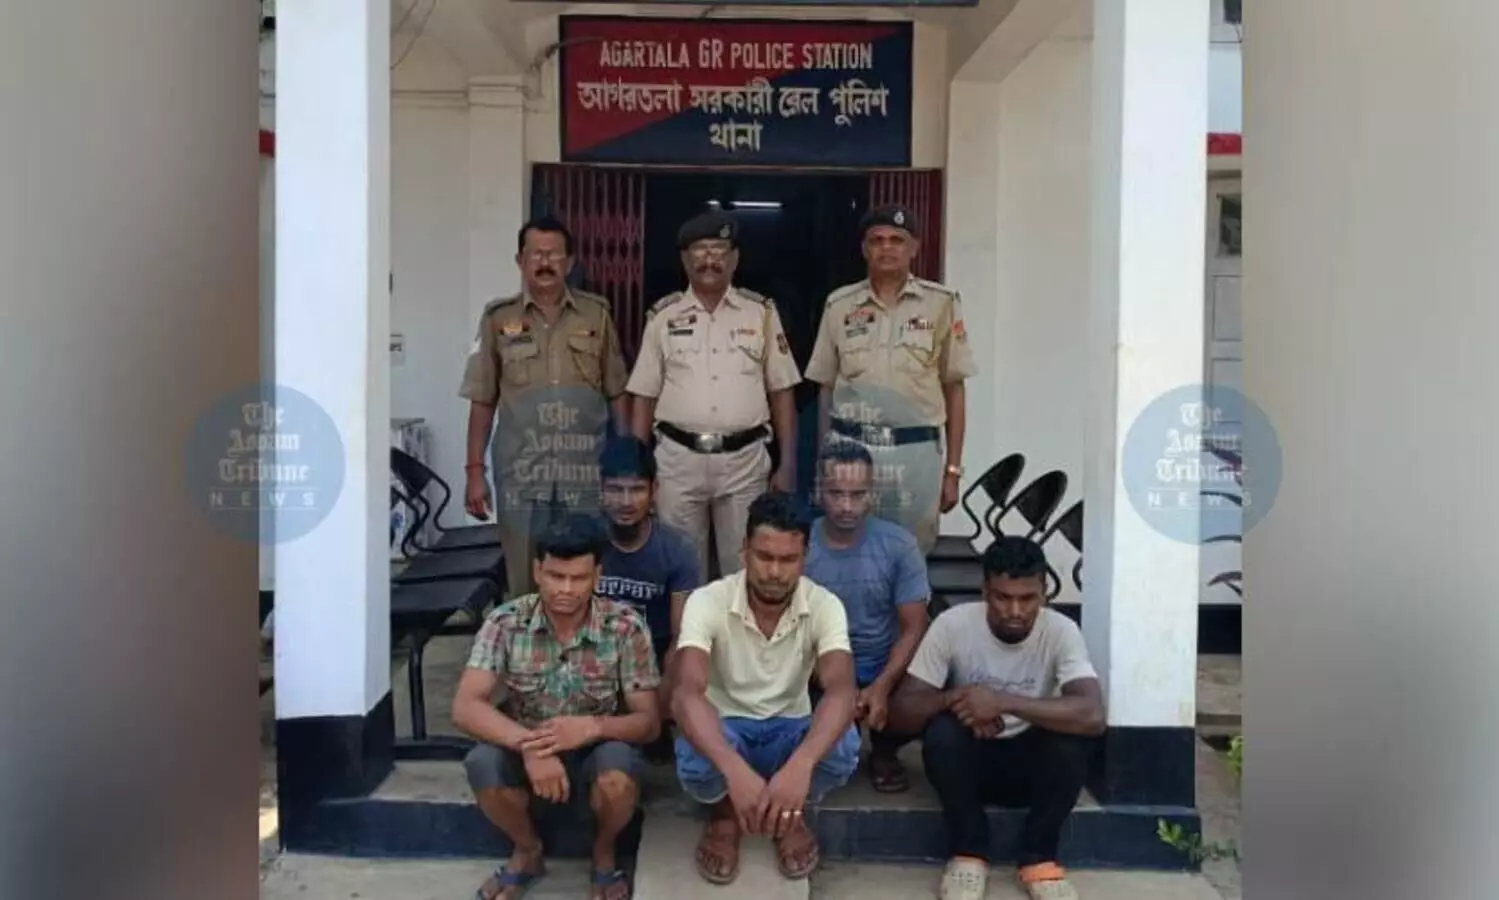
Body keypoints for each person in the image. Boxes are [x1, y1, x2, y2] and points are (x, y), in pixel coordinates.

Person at [452, 514, 661, 900]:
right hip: (527, 750)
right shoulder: (505, 622)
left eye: (578, 578)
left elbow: (648, 723)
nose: (565, 589)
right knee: (482, 764)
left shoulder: (625, 626)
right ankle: (527, 851)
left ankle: (603, 852)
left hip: (596, 752)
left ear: (597, 576)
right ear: (537, 571)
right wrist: (531, 746)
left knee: (618, 773)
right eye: (555, 576)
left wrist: (593, 727)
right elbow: (466, 707)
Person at [887, 536, 1105, 900]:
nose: (1014, 610)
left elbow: (1092, 714)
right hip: (972, 766)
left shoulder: (1061, 631)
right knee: (943, 732)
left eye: (1027, 598)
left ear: (1044, 593)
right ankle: (969, 853)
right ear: (984, 591)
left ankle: (1039, 857)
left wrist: (1001, 702)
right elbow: (901, 712)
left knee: (1073, 738)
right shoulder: (953, 625)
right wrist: (959, 698)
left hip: (1033, 769)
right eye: (1003, 597)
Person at [670, 491, 861, 886]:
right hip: (727, 729)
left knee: (844, 744)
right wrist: (733, 769)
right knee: (693, 750)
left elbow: (842, 690)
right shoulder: (707, 601)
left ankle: (788, 813)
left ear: (805, 557)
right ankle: (726, 814)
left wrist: (802, 764)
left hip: (789, 731)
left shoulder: (825, 605)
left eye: (788, 559)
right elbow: (686, 693)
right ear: (744, 550)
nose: (774, 571)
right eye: (764, 556)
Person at [459, 216, 630, 599]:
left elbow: (618, 393)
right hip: (521, 474)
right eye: (536, 254)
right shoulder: (498, 319)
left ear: (569, 262)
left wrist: (627, 464)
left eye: (554, 254)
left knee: (583, 574)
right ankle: (527, 639)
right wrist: (474, 472)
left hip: (585, 471)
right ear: (520, 260)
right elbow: (482, 398)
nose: (545, 262)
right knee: (524, 578)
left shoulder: (596, 316)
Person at [626, 209, 802, 580]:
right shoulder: (663, 317)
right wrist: (638, 469)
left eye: (719, 250)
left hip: (744, 463)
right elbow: (644, 395)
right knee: (680, 566)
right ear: (684, 259)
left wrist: (787, 463)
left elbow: (781, 391)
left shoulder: (760, 314)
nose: (710, 259)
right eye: (700, 250)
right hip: (677, 462)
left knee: (744, 566)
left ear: (734, 258)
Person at [804, 204, 978, 554]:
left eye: (897, 240)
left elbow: (954, 388)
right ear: (864, 249)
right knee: (848, 552)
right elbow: (826, 387)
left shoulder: (941, 304)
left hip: (915, 455)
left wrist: (953, 470)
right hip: (851, 451)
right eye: (877, 240)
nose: (887, 247)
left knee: (910, 554)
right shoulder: (839, 305)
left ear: (914, 248)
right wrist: (825, 461)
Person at [805, 441, 930, 793]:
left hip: (884, 665)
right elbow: (789, 627)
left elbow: (914, 627)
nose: (847, 506)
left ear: (872, 494)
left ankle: (885, 750)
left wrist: (881, 686)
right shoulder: (800, 547)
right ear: (818, 492)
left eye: (858, 494)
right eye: (836, 493)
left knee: (929, 691)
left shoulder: (900, 545)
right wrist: (837, 686)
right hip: (819, 667)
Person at [593, 435, 702, 761]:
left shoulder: (677, 550)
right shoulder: (586, 541)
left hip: (651, 660)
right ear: (601, 491)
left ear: (654, 491)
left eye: (637, 489)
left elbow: (681, 637)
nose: (626, 501)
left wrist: (661, 702)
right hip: (593, 655)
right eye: (615, 490)